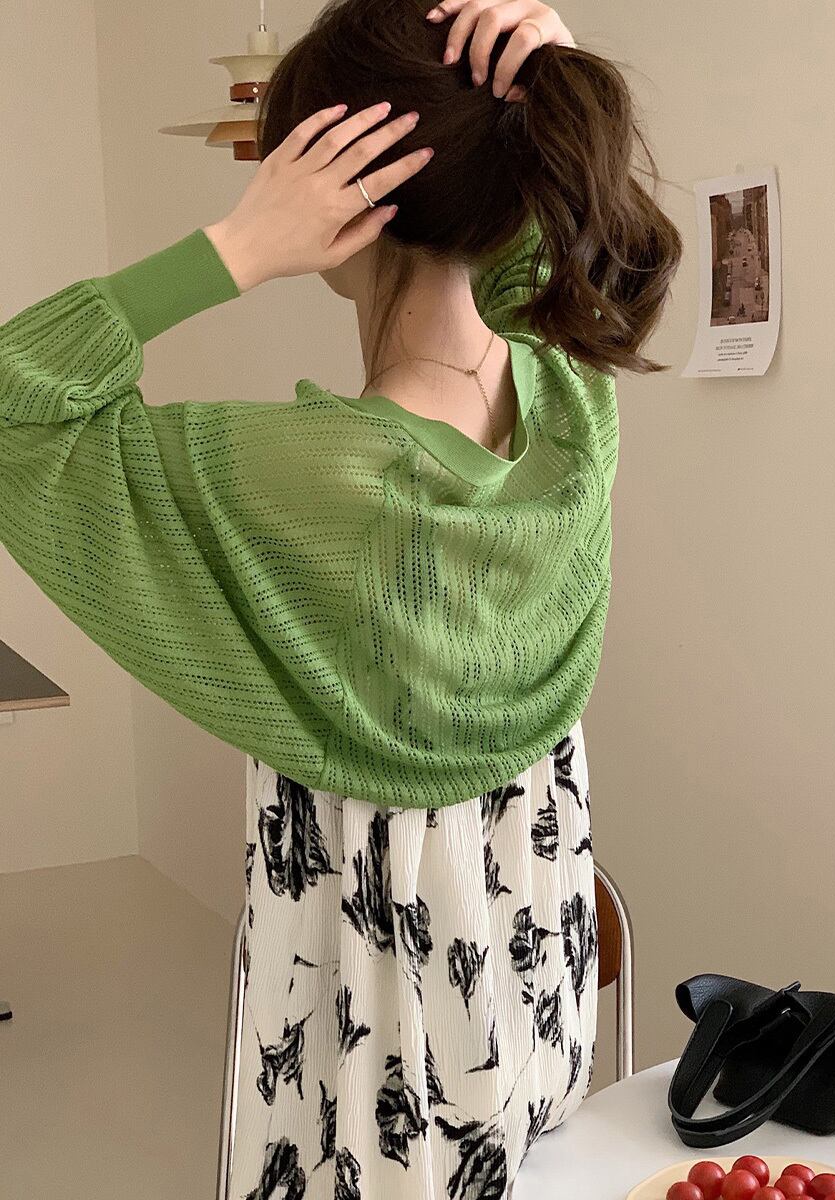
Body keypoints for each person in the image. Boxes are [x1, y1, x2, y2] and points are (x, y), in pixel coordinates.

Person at [0, 0, 682, 1195]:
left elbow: (16, 405)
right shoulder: (572, 410)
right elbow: (554, 249)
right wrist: (547, 72)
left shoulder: (292, 479)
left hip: (371, 1014)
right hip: (528, 975)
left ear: (328, 192)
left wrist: (230, 249)